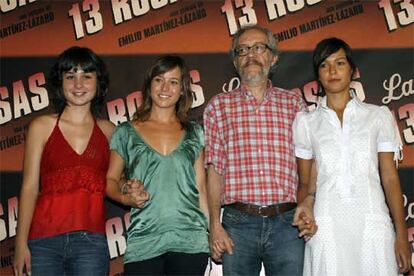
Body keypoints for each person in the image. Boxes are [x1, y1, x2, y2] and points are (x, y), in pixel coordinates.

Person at [292, 37, 411, 275]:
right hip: (325, 224)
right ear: (318, 74)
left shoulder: (378, 116)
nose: (332, 71)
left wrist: (401, 235)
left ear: (352, 70)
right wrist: (306, 211)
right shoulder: (306, 122)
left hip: (372, 221)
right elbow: (305, 183)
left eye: (340, 63)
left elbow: (389, 177)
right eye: (324, 65)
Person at [204, 24, 311, 275]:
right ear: (235, 61)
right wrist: (214, 226)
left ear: (273, 57)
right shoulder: (218, 106)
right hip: (238, 224)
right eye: (242, 50)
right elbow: (214, 171)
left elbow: (308, 164)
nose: (251, 55)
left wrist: (309, 203)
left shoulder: (294, 103)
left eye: (259, 47)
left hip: (288, 223)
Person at [13, 46, 114, 275]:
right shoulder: (42, 127)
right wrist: (20, 244)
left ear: (99, 83)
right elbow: (29, 187)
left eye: (86, 76)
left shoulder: (110, 132)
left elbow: (118, 182)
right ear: (60, 83)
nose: (78, 84)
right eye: (70, 77)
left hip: (91, 244)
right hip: (43, 243)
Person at [106, 55, 209, 275]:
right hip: (144, 242)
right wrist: (126, 197)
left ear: (182, 89)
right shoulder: (126, 132)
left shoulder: (194, 132)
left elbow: (201, 189)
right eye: (159, 79)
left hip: (190, 241)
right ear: (149, 84)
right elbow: (110, 181)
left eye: (173, 82)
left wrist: (212, 232)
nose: (165, 87)